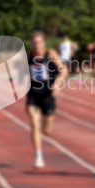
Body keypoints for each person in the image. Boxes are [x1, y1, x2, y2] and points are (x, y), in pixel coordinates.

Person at [27, 31, 68, 168]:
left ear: (44, 43)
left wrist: (57, 84)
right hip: (33, 94)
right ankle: (38, 157)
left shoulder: (50, 54)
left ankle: (47, 126)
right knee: (34, 124)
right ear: (32, 44)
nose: (37, 46)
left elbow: (64, 70)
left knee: (46, 131)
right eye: (34, 43)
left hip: (47, 95)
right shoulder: (29, 55)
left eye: (39, 43)